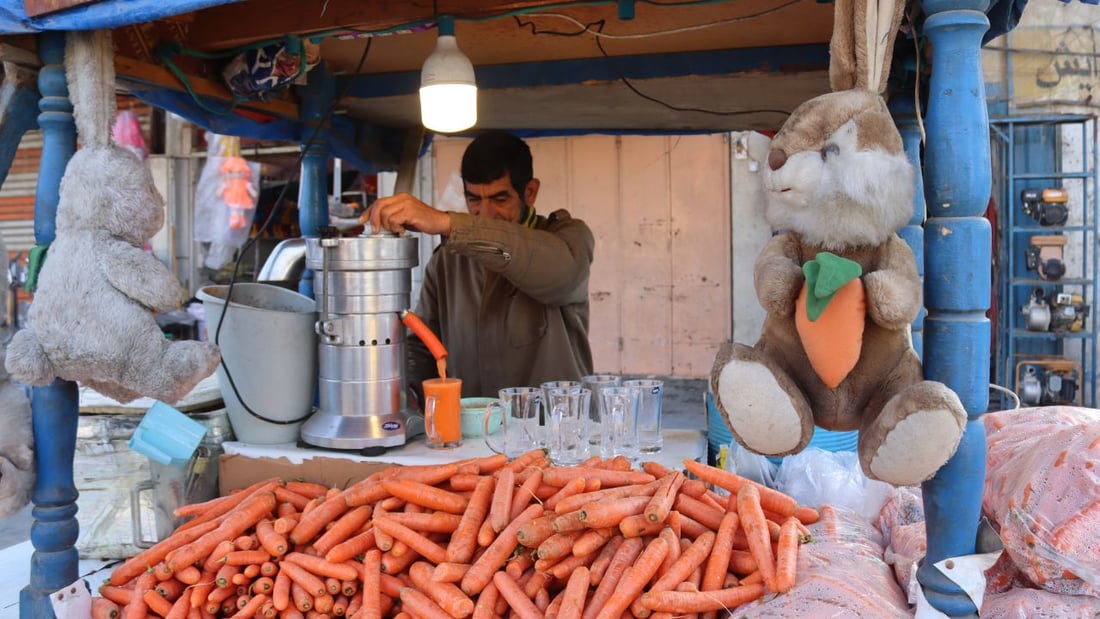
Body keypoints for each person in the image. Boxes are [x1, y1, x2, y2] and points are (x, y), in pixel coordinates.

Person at [362, 130, 595, 398]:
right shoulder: (448, 260)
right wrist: (408, 392)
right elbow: (424, 345)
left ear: (530, 192)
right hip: (472, 432)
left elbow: (558, 274)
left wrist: (447, 222)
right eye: (474, 199)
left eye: (499, 199)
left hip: (555, 432)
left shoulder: (567, 239)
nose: (485, 214)